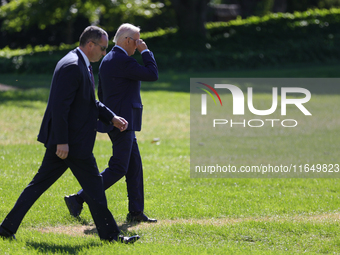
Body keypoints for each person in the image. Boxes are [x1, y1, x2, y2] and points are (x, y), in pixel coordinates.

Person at [0, 26, 139, 244]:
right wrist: (62, 142)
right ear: (90, 44)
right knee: (95, 190)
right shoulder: (72, 66)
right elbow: (59, 108)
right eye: (102, 48)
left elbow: (88, 101)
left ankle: (6, 229)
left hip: (71, 142)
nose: (104, 53)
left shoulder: (80, 63)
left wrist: (111, 117)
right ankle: (112, 237)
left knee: (39, 185)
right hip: (72, 143)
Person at [64, 23, 158, 223]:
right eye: (137, 41)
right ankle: (79, 198)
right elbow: (152, 74)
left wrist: (107, 117)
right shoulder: (122, 60)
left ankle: (136, 212)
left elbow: (102, 93)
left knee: (134, 167)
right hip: (121, 122)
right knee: (119, 167)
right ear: (127, 40)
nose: (138, 44)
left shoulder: (108, 59)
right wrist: (146, 51)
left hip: (119, 120)